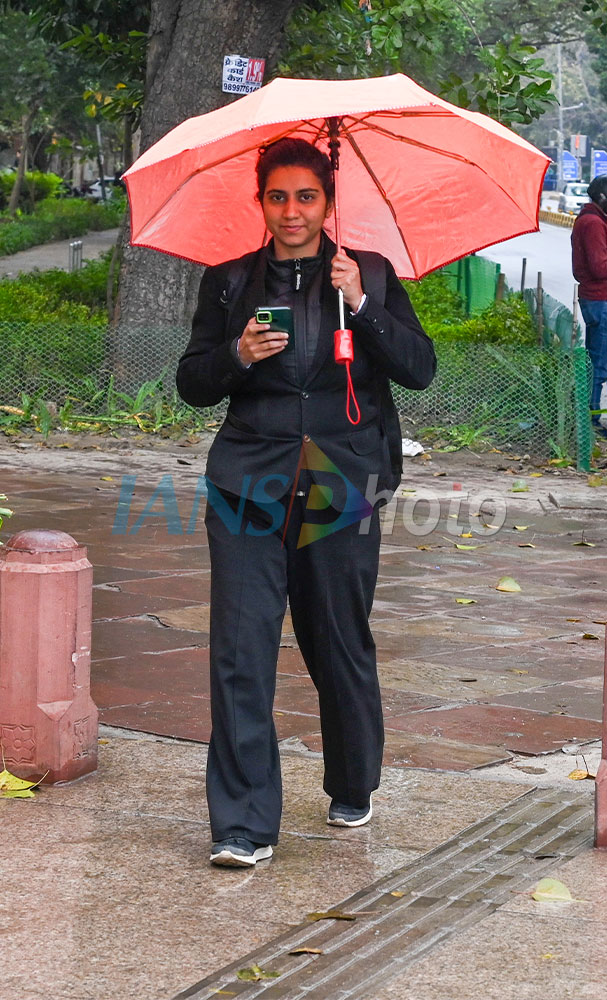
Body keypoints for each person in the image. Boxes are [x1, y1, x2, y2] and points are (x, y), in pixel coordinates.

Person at [176, 138, 436, 868]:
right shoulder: (228, 282)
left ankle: (352, 778)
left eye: (306, 197)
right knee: (239, 649)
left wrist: (361, 304)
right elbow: (192, 381)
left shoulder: (371, 275)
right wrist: (236, 357)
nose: (292, 212)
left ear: (327, 203)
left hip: (339, 482)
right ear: (259, 203)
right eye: (278, 197)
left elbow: (419, 369)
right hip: (247, 482)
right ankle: (242, 825)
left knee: (336, 640)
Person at [572, 175, 607, 438]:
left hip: (596, 298)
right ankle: (591, 419)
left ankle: (590, 415)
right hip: (599, 299)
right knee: (599, 361)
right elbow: (599, 267)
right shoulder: (593, 223)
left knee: (597, 358)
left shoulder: (592, 220)